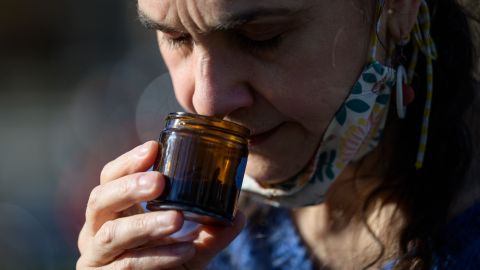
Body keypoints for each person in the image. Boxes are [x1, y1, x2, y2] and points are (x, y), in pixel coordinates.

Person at [76, 0, 480, 269]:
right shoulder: (202, 241)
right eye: (176, 37)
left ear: (397, 8)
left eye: (262, 37)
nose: (207, 101)